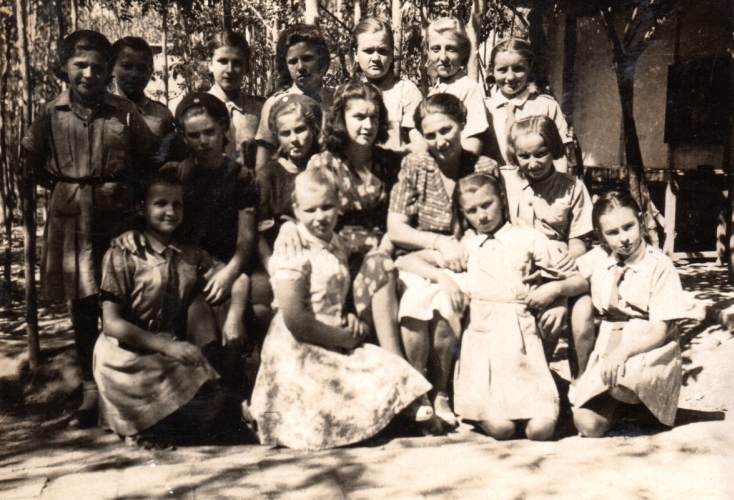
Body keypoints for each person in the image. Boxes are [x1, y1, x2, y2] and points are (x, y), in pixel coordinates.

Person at [21, 30, 157, 428]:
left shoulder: (123, 113)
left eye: (98, 67)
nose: (89, 74)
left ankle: (129, 389)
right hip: (72, 222)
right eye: (80, 66)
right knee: (82, 306)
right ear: (64, 69)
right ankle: (89, 392)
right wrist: (65, 186)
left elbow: (149, 160)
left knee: (121, 301)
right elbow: (29, 159)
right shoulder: (51, 113)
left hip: (117, 218)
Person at [250, 168, 432, 451]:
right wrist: (341, 338)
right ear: (296, 210)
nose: (320, 217)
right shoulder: (292, 246)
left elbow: (335, 290)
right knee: (332, 400)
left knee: (386, 367)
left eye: (327, 207)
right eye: (310, 210)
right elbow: (296, 319)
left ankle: (400, 413)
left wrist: (346, 314)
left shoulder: (336, 242)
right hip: (299, 347)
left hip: (334, 336)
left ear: (339, 205)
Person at [396, 172, 586, 440]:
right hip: (481, 347)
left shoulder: (529, 239)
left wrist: (556, 295)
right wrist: (442, 278)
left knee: (540, 431)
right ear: (463, 214)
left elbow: (578, 279)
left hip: (523, 345)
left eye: (487, 205)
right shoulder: (466, 246)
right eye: (472, 210)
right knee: (502, 429)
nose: (482, 215)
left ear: (502, 201)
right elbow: (405, 261)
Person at [113, 93, 258, 392]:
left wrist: (229, 273)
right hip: (184, 268)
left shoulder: (242, 177)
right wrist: (132, 231)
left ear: (224, 129)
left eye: (210, 132)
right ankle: (211, 392)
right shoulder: (175, 172)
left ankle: (231, 392)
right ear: (183, 136)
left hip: (225, 266)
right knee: (198, 312)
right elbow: (151, 211)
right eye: (194, 135)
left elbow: (246, 241)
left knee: (232, 311)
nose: (203, 141)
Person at [387, 93, 499, 429]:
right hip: (418, 258)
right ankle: (419, 392)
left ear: (462, 124)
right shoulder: (416, 165)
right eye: (430, 134)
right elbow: (396, 229)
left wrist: (454, 256)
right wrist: (438, 244)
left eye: (446, 130)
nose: (439, 141)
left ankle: (441, 391)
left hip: (465, 261)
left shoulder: (483, 167)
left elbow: (494, 222)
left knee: (446, 302)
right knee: (415, 302)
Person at [94, 173, 226, 448]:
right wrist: (166, 347)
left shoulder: (189, 253)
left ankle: (160, 421)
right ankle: (137, 425)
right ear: (142, 208)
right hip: (123, 355)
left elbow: (232, 276)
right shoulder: (123, 253)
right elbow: (111, 324)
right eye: (160, 204)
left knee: (211, 402)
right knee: (176, 406)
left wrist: (235, 311)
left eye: (177, 204)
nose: (170, 211)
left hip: (163, 351)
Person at [302, 82, 405, 357]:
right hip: (337, 258)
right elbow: (313, 223)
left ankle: (389, 363)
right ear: (341, 119)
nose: (368, 125)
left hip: (385, 250)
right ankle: (391, 364)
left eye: (374, 117)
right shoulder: (323, 164)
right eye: (359, 117)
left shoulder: (390, 164)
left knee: (382, 265)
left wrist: (386, 246)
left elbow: (400, 216)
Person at [572, 190, 686, 437]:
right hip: (609, 345)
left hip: (649, 349)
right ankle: (620, 410)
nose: (623, 238)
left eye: (628, 227)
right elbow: (570, 276)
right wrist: (548, 286)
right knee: (587, 424)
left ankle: (643, 406)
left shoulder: (660, 266)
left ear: (641, 221)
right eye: (613, 233)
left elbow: (659, 331)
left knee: (623, 386)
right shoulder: (600, 258)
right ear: (601, 237)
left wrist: (623, 352)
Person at [502, 115, 595, 378]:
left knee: (569, 311)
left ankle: (573, 381)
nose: (532, 163)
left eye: (541, 154)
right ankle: (531, 378)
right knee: (541, 315)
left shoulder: (573, 188)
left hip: (557, 268)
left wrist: (563, 268)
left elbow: (578, 243)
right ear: (515, 156)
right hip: (516, 267)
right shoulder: (507, 183)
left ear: (553, 149)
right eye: (524, 156)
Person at [485, 38, 572, 171]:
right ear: (492, 70)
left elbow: (559, 156)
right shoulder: (484, 108)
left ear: (529, 67)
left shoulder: (546, 106)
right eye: (502, 70)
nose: (510, 77)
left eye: (518, 69)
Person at [255, 24, 333, 170]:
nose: (301, 67)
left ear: (321, 59)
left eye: (307, 58)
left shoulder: (336, 100)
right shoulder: (275, 103)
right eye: (293, 61)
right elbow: (262, 166)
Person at [352, 17, 424, 153]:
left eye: (382, 51)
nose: (375, 58)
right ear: (356, 54)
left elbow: (420, 144)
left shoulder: (406, 92)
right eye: (368, 51)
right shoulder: (349, 93)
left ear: (392, 54)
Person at [425, 17, 492, 157]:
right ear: (428, 51)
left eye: (451, 49)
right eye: (436, 49)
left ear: (464, 52)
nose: (443, 57)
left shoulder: (468, 88)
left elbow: (473, 142)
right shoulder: (433, 93)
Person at [206, 31, 264, 170]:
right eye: (223, 61)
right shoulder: (196, 107)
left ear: (246, 67)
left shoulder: (259, 110)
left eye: (237, 63)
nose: (230, 70)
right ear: (210, 65)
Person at [111, 36, 174, 143]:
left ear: (151, 72)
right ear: (111, 68)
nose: (134, 74)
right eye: (127, 66)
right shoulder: (100, 111)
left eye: (142, 68)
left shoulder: (162, 115)